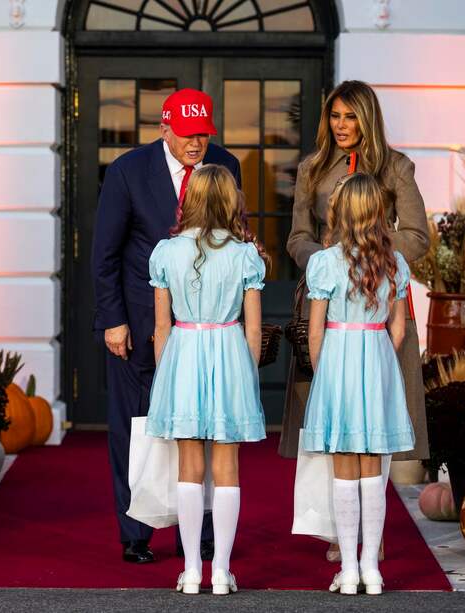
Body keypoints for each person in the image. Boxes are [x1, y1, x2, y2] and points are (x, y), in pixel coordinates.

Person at [93, 89, 241, 564]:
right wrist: (113, 320)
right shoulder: (127, 172)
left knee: (201, 429)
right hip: (138, 323)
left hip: (207, 327)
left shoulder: (226, 166)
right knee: (137, 427)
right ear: (165, 128)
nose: (196, 143)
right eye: (187, 134)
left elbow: (235, 239)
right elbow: (105, 255)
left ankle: (195, 534)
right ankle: (135, 532)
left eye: (203, 134)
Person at [282, 80, 429, 463]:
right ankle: (327, 519)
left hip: (377, 306)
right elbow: (297, 238)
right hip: (325, 302)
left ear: (367, 119)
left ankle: (366, 515)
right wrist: (328, 260)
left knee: (376, 434)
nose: (341, 125)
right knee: (323, 428)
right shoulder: (311, 169)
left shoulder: (396, 167)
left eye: (350, 116)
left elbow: (417, 236)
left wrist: (366, 249)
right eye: (335, 116)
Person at [147, 165, 268, 595]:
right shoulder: (245, 254)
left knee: (189, 467)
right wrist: (247, 374)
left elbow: (162, 327)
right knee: (227, 467)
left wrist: (166, 374)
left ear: (191, 198)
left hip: (183, 351)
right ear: (230, 200)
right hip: (229, 349)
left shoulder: (165, 252)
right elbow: (253, 329)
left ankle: (193, 569)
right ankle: (221, 570)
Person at [301, 172, 415, 595]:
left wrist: (325, 371)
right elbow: (398, 330)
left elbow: (315, 331)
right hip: (376, 358)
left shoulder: (325, 261)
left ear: (341, 212)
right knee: (374, 470)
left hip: (339, 362)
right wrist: (379, 354)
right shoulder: (395, 263)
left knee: (344, 469)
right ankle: (372, 567)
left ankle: (348, 568)